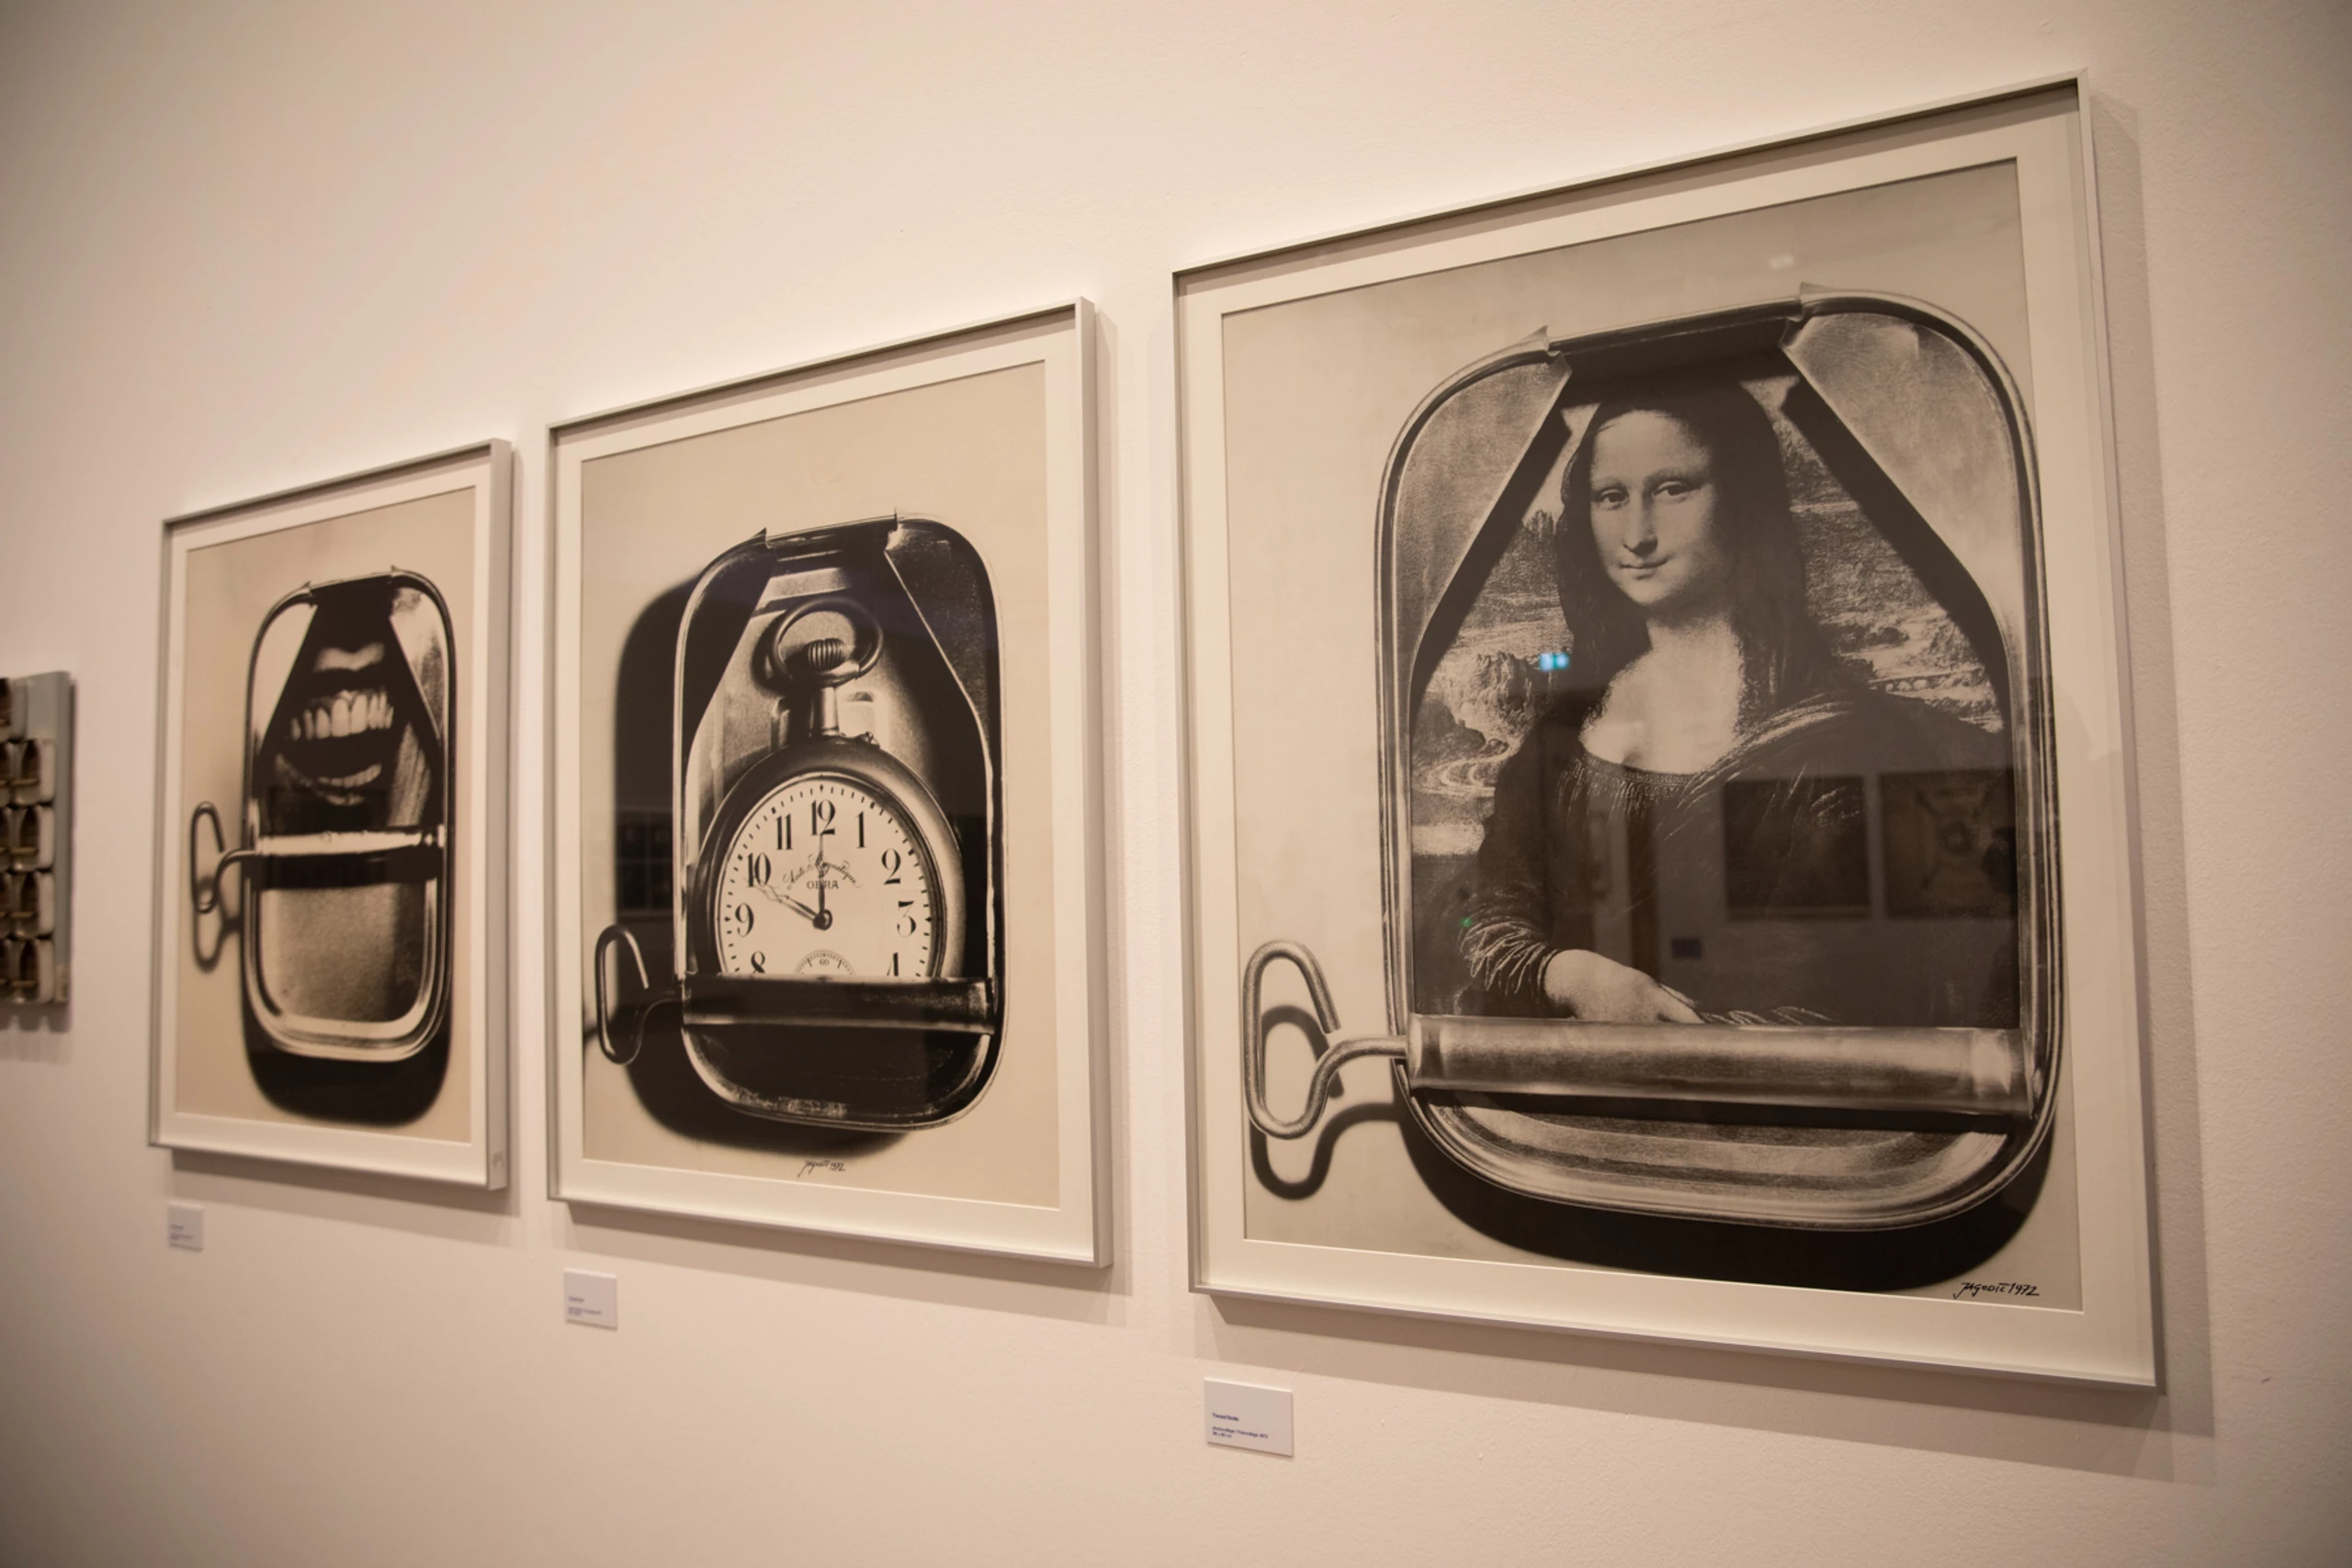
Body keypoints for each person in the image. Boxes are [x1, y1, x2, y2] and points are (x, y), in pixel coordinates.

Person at [1459, 375, 2018, 1030]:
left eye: (1673, 489)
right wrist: (1567, 976)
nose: (1636, 534)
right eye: (1611, 497)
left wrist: (1663, 1032)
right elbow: (1490, 915)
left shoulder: (1835, 746)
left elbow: (1854, 1010)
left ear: (1744, 502)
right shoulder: (1567, 728)